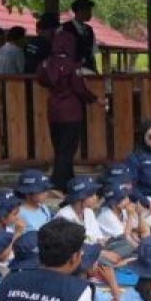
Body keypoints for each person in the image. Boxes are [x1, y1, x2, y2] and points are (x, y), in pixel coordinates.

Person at [36, 29, 97, 191]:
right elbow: (80, 89)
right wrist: (93, 99)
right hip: (71, 111)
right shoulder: (72, 65)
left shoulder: (46, 63)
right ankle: (57, 184)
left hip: (54, 110)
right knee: (68, 149)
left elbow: (41, 80)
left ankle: (68, 179)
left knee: (59, 148)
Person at [96, 180, 148, 259]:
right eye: (123, 198)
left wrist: (140, 214)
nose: (128, 200)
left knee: (148, 234)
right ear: (113, 203)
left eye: (127, 197)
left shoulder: (122, 209)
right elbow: (125, 236)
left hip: (124, 242)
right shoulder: (106, 216)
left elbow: (142, 230)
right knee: (134, 244)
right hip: (111, 247)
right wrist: (130, 216)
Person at [64, 0, 98, 73]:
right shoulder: (65, 28)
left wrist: (95, 70)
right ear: (80, 11)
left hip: (88, 71)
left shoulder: (89, 30)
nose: (90, 14)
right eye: (88, 10)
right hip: (71, 72)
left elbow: (91, 54)